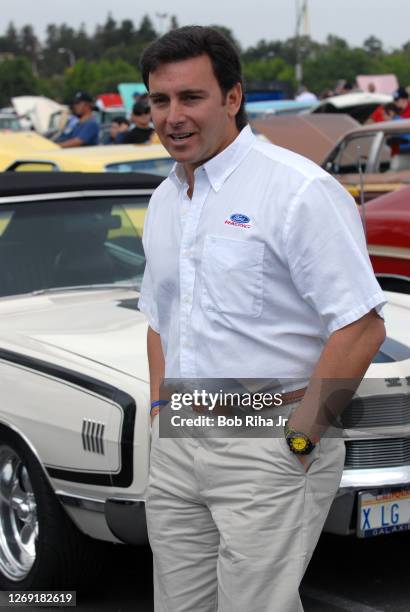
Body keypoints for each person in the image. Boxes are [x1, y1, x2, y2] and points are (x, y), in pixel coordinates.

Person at [138, 26, 386, 612]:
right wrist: (159, 413)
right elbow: (158, 317)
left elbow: (362, 326)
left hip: (270, 436)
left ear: (231, 97)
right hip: (180, 435)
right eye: (159, 100)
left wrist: (300, 438)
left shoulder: (297, 189)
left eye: (191, 97)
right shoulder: (164, 199)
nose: (173, 116)